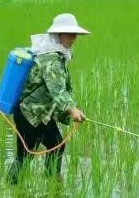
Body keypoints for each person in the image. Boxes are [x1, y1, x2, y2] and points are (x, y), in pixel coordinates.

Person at [7, 13, 89, 184]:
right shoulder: (50, 58)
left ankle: (53, 182)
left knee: (57, 144)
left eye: (74, 34)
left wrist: (70, 111)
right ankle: (12, 187)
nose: (73, 38)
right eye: (68, 33)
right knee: (25, 155)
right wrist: (73, 110)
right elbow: (57, 90)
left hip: (42, 114)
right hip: (29, 114)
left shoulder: (57, 55)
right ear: (57, 35)